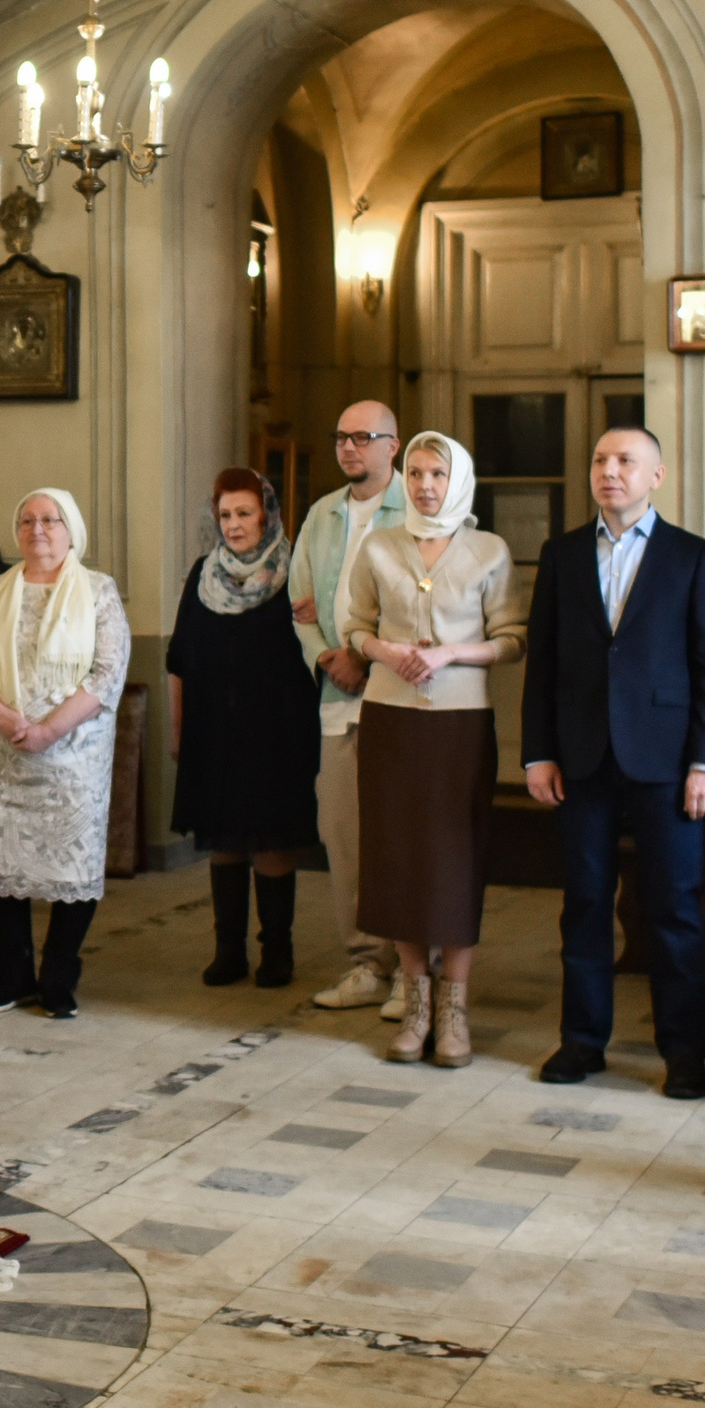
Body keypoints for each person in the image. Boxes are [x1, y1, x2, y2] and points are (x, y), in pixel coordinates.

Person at [523, 427, 705, 1100]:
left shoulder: (693, 557)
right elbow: (544, 665)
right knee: (584, 903)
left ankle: (684, 1052)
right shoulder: (561, 555)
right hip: (582, 758)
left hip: (668, 761)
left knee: (674, 909)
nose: (609, 471)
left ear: (656, 476)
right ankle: (583, 1041)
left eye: (625, 461)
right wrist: (538, 751)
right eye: (600, 461)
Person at [343, 431, 526, 1067]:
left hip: (458, 724)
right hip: (390, 719)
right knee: (397, 857)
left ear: (458, 481)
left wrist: (451, 652)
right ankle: (415, 1001)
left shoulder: (489, 550)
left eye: (437, 474)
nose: (424, 484)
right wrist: (383, 651)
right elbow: (355, 628)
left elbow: (511, 638)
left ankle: (454, 1009)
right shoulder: (379, 546)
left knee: (456, 857)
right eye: (416, 473)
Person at [0, 489, 131, 1017]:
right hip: (0, 751)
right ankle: (12, 974)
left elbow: (107, 674)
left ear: (72, 530)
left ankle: (58, 975)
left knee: (71, 869)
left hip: (73, 756)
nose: (38, 529)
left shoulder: (98, 591)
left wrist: (50, 730)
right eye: (27, 520)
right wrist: (8, 720)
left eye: (51, 520)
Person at [167, 470, 319, 987]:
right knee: (225, 841)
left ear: (268, 514)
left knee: (272, 840)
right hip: (214, 731)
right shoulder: (202, 575)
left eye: (244, 513)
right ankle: (228, 950)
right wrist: (178, 729)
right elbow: (178, 658)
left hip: (278, 731)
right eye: (226, 515)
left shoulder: (298, 570)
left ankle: (277, 950)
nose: (234, 525)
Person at [287, 400, 410, 1014]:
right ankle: (367, 965)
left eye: (363, 437)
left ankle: (417, 969)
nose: (348, 447)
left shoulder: (416, 507)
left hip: (400, 698)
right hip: (337, 699)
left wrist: (365, 653)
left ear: (394, 444)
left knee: (403, 837)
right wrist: (325, 656)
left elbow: (421, 602)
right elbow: (300, 597)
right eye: (340, 437)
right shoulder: (321, 514)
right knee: (343, 834)